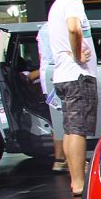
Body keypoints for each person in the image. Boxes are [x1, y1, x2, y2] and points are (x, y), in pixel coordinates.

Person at [46, 0, 98, 197]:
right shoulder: (72, 1)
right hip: (77, 75)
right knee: (78, 129)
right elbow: (74, 28)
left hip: (63, 75)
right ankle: (78, 183)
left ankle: (74, 178)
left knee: (69, 129)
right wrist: (77, 55)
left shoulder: (58, 4)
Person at [36, 24, 66, 172]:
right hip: (57, 75)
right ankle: (62, 160)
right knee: (64, 121)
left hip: (48, 76)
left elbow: (42, 56)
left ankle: (61, 159)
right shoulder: (58, 26)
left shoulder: (44, 29)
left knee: (58, 120)